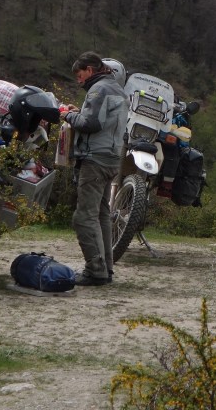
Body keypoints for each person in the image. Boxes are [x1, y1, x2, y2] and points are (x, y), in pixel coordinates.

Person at [60, 51, 128, 286]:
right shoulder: (117, 89)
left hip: (95, 161)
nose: (79, 80)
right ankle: (106, 268)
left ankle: (95, 270)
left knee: (84, 217)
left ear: (90, 70)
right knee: (101, 216)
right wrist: (79, 113)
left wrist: (67, 115)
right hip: (111, 159)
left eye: (80, 75)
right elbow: (103, 122)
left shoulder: (99, 89)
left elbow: (90, 124)